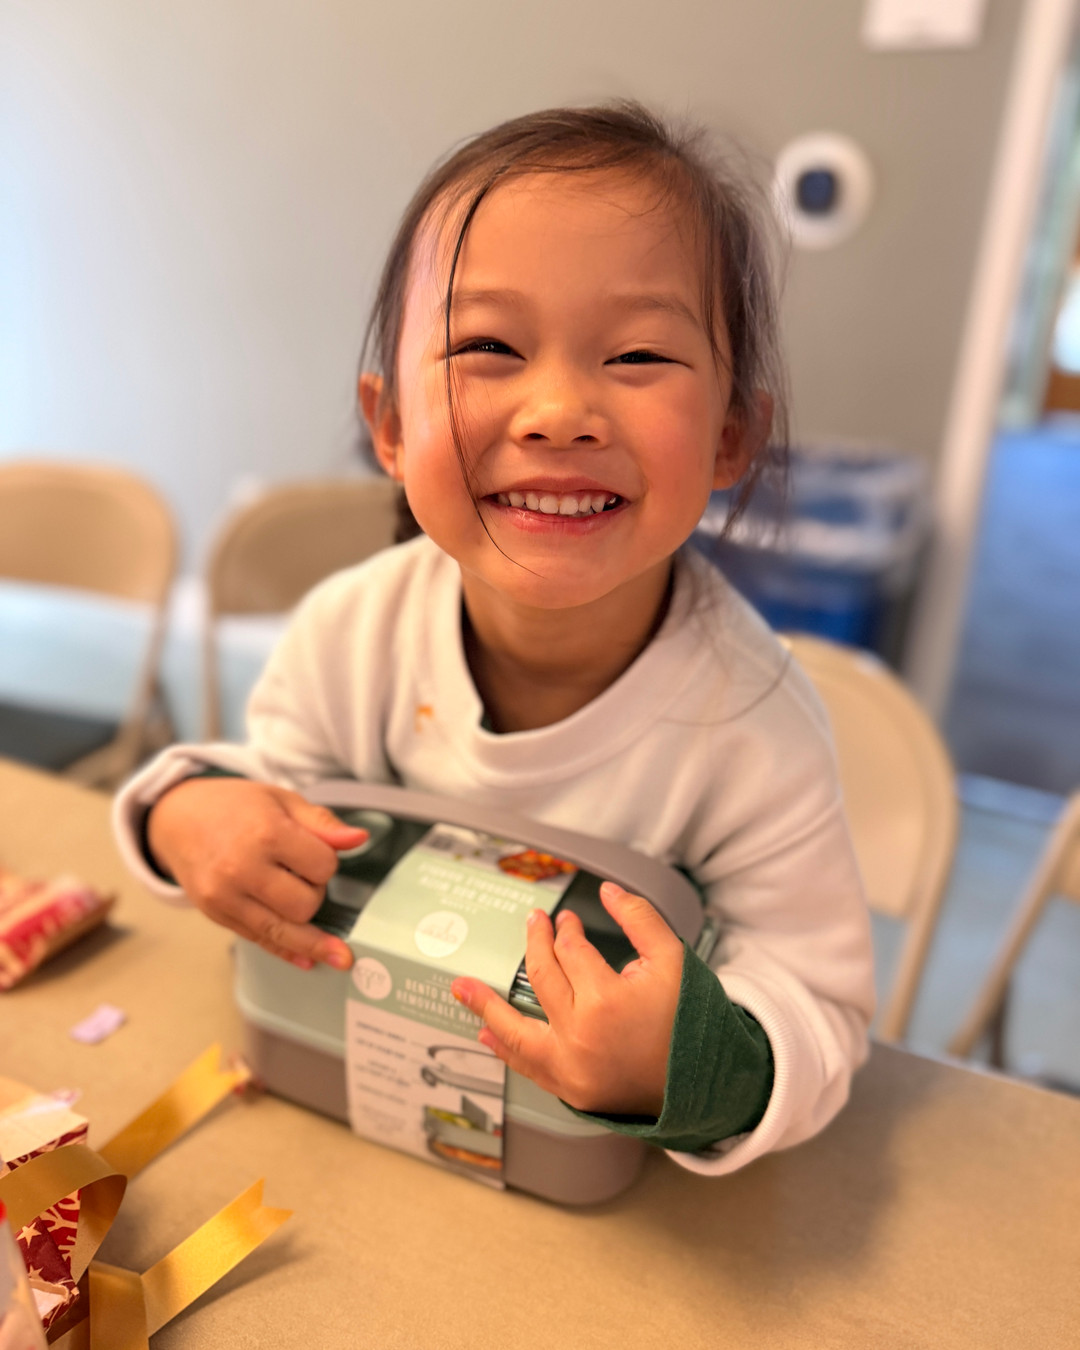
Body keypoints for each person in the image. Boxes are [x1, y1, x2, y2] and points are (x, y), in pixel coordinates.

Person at [113, 102, 874, 1177]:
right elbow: (270, 799)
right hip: (348, 1119)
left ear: (730, 438)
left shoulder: (756, 729)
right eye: (489, 348)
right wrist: (186, 813)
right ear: (390, 427)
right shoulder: (351, 631)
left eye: (640, 353)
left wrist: (689, 1063)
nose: (560, 409)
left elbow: (821, 1002)